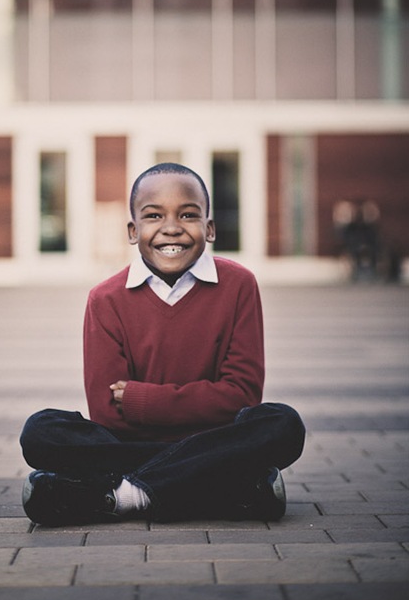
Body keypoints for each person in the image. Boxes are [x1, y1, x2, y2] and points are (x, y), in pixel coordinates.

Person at [20, 163, 305, 526]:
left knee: (281, 424)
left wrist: (142, 400)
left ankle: (127, 496)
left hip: (212, 439)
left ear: (210, 228)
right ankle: (228, 489)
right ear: (133, 230)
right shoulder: (105, 299)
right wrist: (203, 409)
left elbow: (243, 395)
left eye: (188, 215)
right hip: (193, 449)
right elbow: (107, 413)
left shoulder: (239, 286)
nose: (171, 227)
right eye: (154, 216)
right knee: (41, 431)